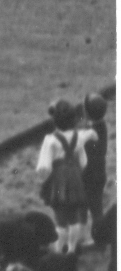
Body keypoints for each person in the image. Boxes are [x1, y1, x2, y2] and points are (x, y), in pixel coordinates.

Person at [37, 98, 97, 252]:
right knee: (74, 215)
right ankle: (71, 248)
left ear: (55, 121)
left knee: (60, 216)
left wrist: (43, 179)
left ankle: (58, 248)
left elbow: (44, 165)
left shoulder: (50, 140)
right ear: (74, 120)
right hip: (75, 177)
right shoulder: (79, 136)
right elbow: (84, 157)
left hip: (58, 179)